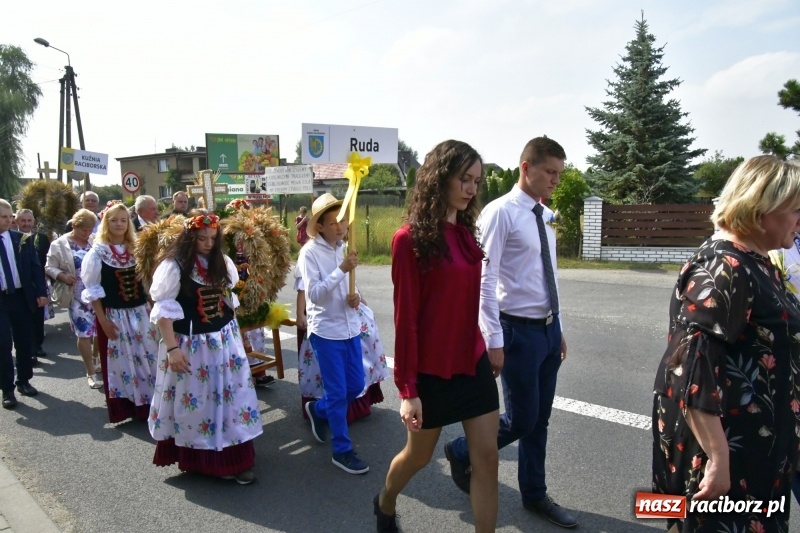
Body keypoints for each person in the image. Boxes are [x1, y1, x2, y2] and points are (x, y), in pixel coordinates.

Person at [651, 155, 800, 532]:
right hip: (731, 460)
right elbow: (688, 369)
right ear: (761, 207)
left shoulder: (757, 260)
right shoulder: (725, 268)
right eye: (796, 209)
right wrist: (718, 461)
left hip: (759, 452)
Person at [444, 137, 576, 529]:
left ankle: (535, 494)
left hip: (548, 332)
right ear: (526, 168)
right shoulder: (500, 213)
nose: (555, 180)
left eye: (559, 173)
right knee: (521, 419)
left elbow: (548, 275)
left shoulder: (546, 216)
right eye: (549, 172)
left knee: (541, 419)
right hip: (516, 331)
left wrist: (560, 328)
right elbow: (486, 278)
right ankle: (462, 449)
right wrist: (494, 338)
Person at [375, 140, 500, 533]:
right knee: (418, 457)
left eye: (476, 181)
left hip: (471, 362)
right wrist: (407, 389)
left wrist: (491, 341)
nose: (471, 188)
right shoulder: (408, 240)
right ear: (439, 178)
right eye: (464, 179)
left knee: (488, 460)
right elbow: (406, 318)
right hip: (429, 373)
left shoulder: (466, 236)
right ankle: (385, 502)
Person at [147, 213, 262, 484]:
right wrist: (173, 350)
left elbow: (228, 299)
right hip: (193, 345)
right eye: (202, 238)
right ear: (190, 238)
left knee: (231, 397)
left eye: (213, 238)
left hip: (224, 341)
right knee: (201, 402)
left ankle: (234, 453)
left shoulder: (222, 262)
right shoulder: (174, 266)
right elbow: (163, 313)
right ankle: (206, 460)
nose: (208, 243)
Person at [298, 193, 368, 475]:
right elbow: (314, 294)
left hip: (349, 327)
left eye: (342, 221)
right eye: (333, 223)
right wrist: (342, 269)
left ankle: (319, 410)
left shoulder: (343, 248)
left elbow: (349, 288)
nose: (340, 227)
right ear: (320, 227)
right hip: (326, 331)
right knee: (339, 392)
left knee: (355, 386)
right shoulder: (309, 253)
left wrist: (357, 297)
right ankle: (342, 450)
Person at [81, 203, 159, 423]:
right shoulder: (97, 253)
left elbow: (147, 284)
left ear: (128, 223)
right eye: (114, 220)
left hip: (141, 313)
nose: (119, 224)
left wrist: (155, 309)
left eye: (123, 220)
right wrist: (102, 320)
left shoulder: (137, 248)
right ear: (106, 223)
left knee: (148, 357)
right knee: (124, 363)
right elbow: (93, 291)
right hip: (115, 315)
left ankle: (152, 404)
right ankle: (129, 407)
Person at [295, 266, 389, 421]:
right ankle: (329, 410)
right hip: (327, 319)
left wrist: (361, 300)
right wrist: (300, 313)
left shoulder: (340, 252)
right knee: (330, 364)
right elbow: (303, 287)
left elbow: (350, 283)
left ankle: (354, 403)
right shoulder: (310, 254)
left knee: (361, 352)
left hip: (350, 315)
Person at [46, 209, 103, 389]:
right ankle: (90, 372)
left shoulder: (95, 240)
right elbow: (49, 267)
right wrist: (62, 275)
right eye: (83, 230)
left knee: (100, 331)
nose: (87, 233)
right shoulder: (60, 244)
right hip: (76, 295)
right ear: (74, 225)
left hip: (97, 293)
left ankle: (96, 356)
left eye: (90, 229)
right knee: (84, 333)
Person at [0, 199, 48, 409]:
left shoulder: (22, 239)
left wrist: (41, 292)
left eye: (10, 216)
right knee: (2, 345)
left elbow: (36, 268)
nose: (8, 220)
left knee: (24, 340)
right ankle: (7, 389)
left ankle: (24, 381)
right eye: (4, 217)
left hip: (20, 297)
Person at [16, 209, 51, 363]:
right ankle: (29, 351)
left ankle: (37, 345)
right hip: (19, 287)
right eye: (23, 220)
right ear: (16, 222)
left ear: (33, 222)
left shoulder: (42, 239)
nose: (26, 224)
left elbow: (48, 261)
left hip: (38, 283)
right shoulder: (12, 239)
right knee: (24, 320)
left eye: (29, 220)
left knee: (38, 317)